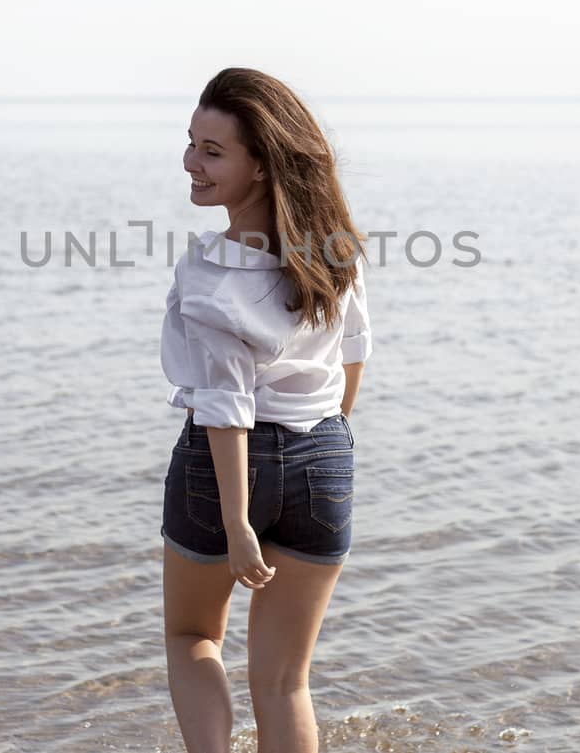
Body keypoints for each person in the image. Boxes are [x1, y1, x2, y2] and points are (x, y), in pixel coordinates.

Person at [159, 67, 373, 753]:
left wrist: (237, 521)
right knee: (284, 682)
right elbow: (355, 353)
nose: (191, 161)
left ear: (260, 165)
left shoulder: (209, 270)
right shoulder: (334, 248)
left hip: (225, 465)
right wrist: (330, 445)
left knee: (194, 636)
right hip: (324, 458)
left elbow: (227, 406)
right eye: (191, 142)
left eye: (213, 151)